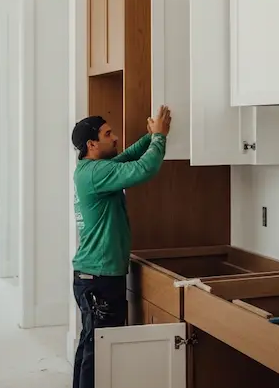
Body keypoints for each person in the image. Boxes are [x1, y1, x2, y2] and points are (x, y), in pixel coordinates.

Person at [69, 105, 171, 388]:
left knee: (91, 346)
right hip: (99, 278)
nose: (114, 138)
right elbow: (143, 168)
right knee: (100, 351)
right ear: (92, 144)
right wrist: (160, 138)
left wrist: (150, 137)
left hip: (94, 275)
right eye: (108, 134)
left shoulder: (91, 169)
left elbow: (127, 157)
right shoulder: (96, 173)